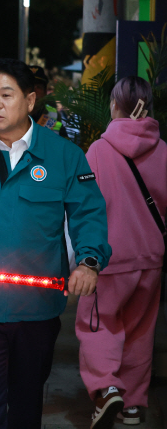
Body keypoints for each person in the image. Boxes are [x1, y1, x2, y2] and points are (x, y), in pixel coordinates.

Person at [0, 58, 112, 429]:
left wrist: (89, 261)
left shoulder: (64, 156)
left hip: (37, 309)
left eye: (5, 95)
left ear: (29, 100)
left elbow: (88, 215)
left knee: (26, 402)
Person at [76, 76, 167, 429]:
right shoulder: (163, 150)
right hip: (151, 259)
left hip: (109, 260)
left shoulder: (99, 150)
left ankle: (105, 387)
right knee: (141, 330)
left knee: (98, 326)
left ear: (115, 106)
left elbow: (85, 206)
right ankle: (132, 405)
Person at [28, 65, 67, 137]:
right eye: (30, 86)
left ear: (45, 92)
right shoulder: (12, 113)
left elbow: (62, 140)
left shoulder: (53, 114)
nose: (34, 91)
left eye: (38, 87)